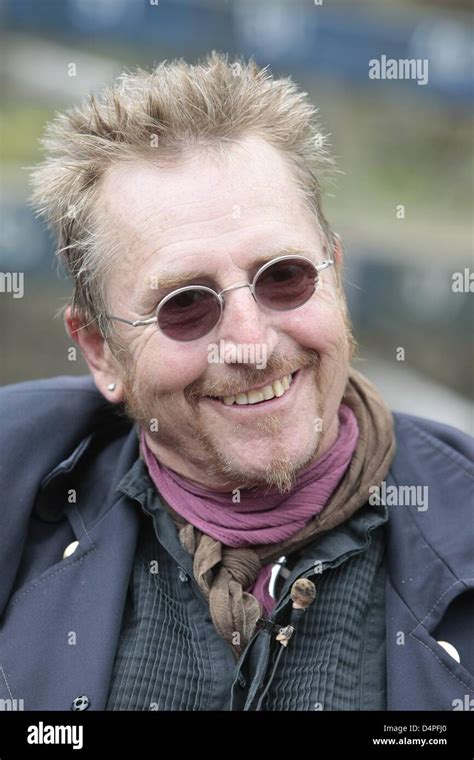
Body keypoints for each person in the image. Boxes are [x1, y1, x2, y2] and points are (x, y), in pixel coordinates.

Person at [1, 53, 472, 712]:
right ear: (102, 351)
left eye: (284, 277)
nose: (251, 345)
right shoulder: (17, 494)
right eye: (185, 305)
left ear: (334, 272)